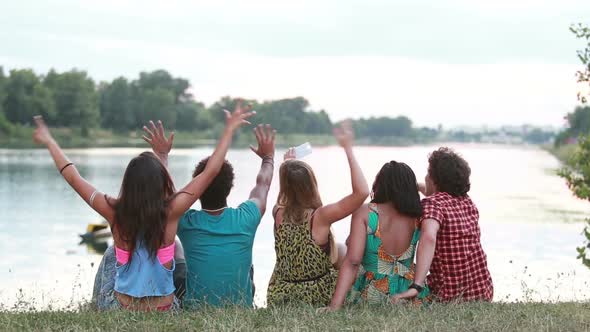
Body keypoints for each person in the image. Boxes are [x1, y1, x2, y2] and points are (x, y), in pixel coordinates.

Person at [33, 100, 254, 311]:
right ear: (161, 183)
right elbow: (211, 171)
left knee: (112, 253)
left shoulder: (113, 210)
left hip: (122, 308)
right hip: (164, 310)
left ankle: (95, 307)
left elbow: (73, 177)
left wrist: (50, 142)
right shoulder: (171, 212)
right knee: (161, 254)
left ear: (128, 182)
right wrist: (229, 130)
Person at [267, 121, 370, 306]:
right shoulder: (320, 216)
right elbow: (362, 193)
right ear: (311, 183)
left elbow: (285, 194)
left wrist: (288, 166)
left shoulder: (277, 212)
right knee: (344, 251)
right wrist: (348, 149)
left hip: (282, 295)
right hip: (315, 295)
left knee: (337, 247)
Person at [174, 124, 276, 308]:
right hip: (239, 310)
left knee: (175, 248)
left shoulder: (184, 221)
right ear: (230, 187)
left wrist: (162, 155)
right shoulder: (247, 218)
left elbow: (170, 198)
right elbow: (263, 185)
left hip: (195, 309)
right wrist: (268, 158)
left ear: (197, 188)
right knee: (248, 269)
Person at [326, 161, 431, 310]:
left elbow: (353, 261)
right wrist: (412, 185)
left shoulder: (365, 212)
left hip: (371, 292)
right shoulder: (420, 214)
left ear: (380, 184)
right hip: (409, 292)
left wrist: (334, 306)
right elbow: (436, 193)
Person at [393, 147, 493, 303]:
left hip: (449, 295)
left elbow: (429, 237)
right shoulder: (467, 202)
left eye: (428, 173)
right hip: (482, 291)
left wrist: (417, 285)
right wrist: (414, 185)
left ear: (434, 180)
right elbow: (435, 195)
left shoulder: (432, 205)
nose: (425, 177)